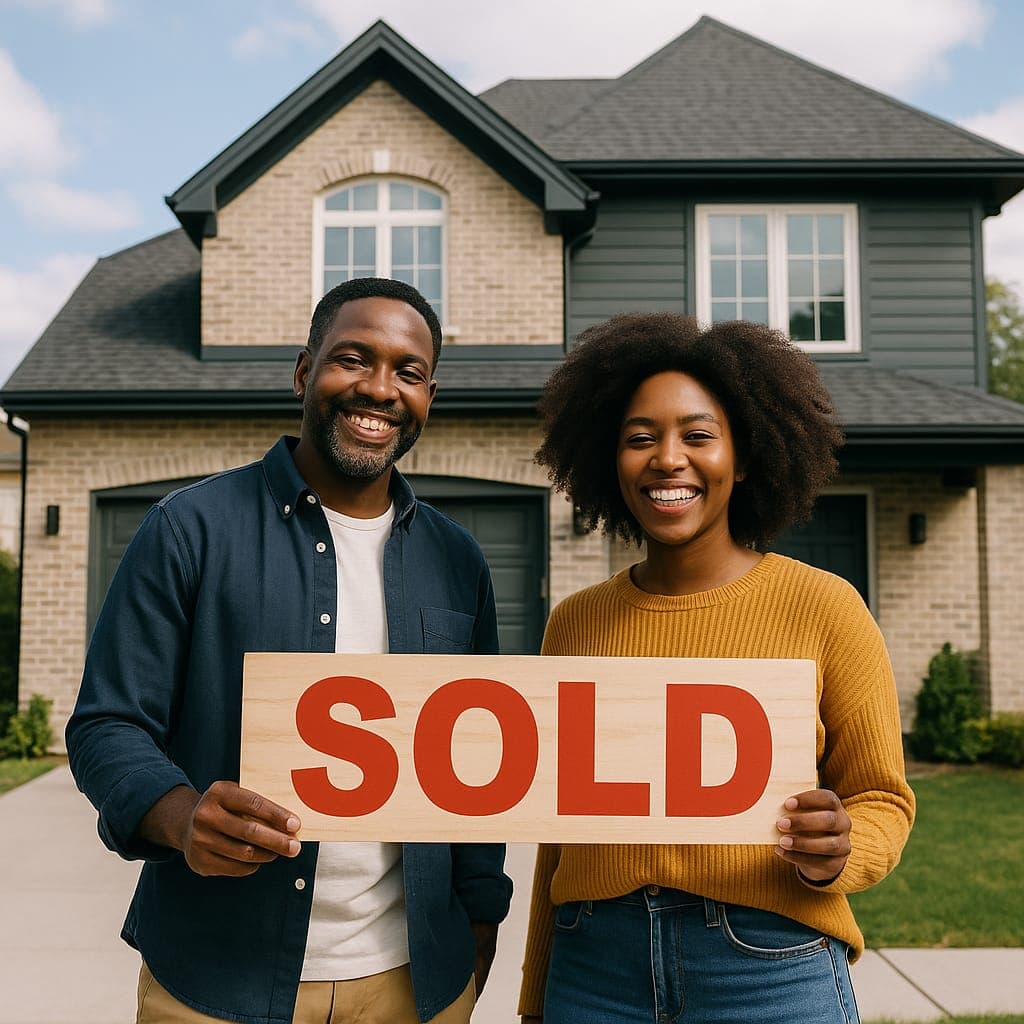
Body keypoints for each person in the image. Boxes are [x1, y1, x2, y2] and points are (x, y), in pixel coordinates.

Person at [66, 277, 511, 1024]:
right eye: (353, 359)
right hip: (216, 977)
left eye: (407, 372)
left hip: (415, 980)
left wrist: (481, 918)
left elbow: (478, 759)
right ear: (305, 372)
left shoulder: (458, 559)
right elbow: (107, 724)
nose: (379, 389)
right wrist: (182, 816)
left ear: (429, 397)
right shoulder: (188, 530)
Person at [518, 314, 915, 1024]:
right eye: (640, 438)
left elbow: (881, 798)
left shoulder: (825, 606)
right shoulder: (575, 622)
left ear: (746, 456)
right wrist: (535, 995)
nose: (668, 459)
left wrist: (841, 849)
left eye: (698, 435)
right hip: (593, 967)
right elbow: (559, 833)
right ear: (610, 459)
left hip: (767, 965)